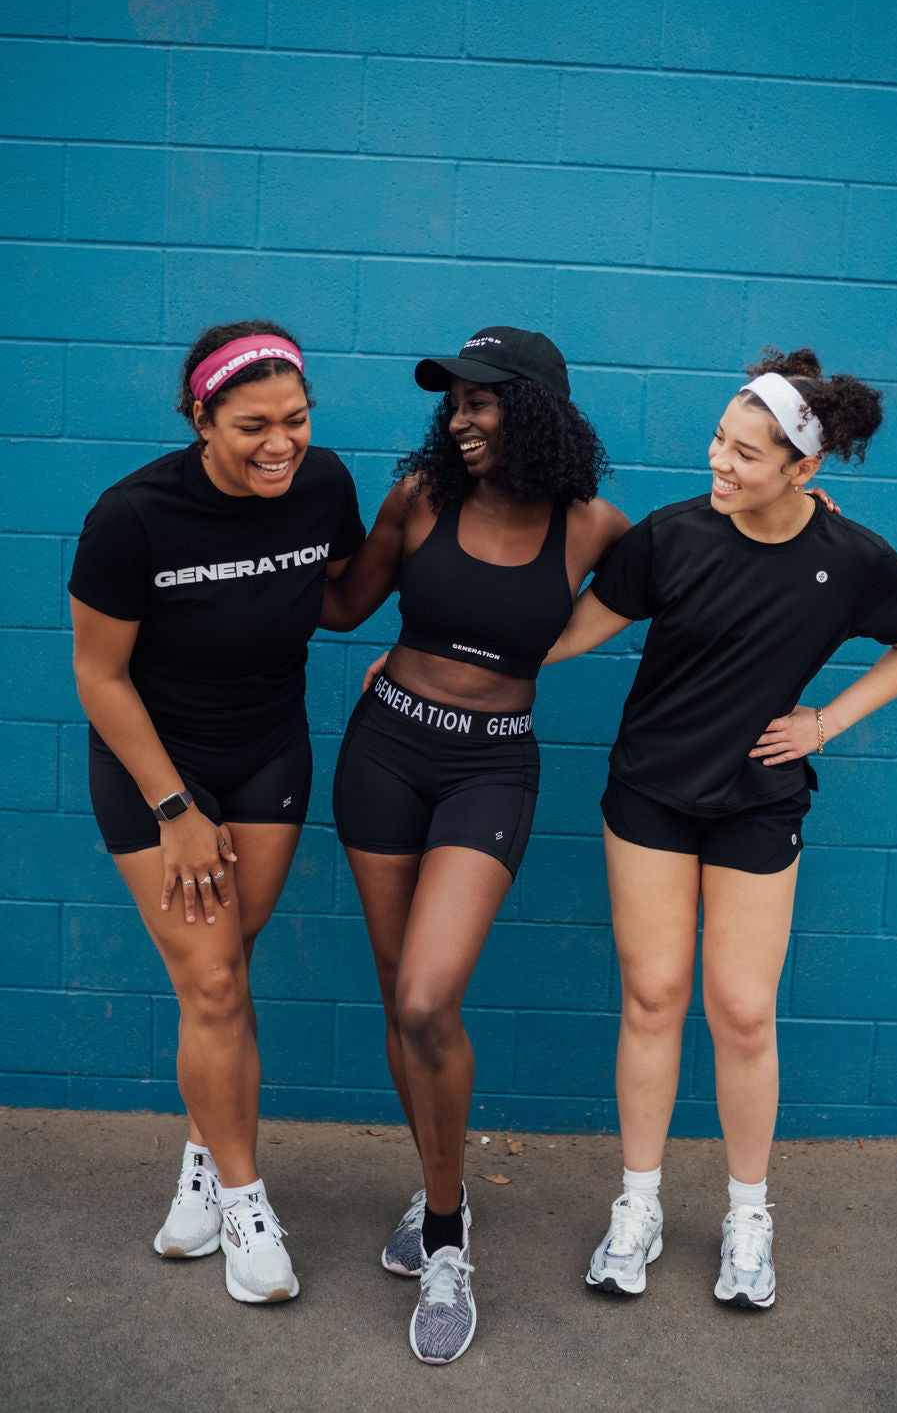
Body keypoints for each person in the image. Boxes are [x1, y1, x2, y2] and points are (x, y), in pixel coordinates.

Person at [544, 347, 897, 1310]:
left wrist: (825, 722)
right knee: (652, 997)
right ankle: (637, 1205)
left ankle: (747, 1215)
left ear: (803, 471)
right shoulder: (671, 537)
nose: (718, 462)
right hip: (649, 795)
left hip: (759, 802)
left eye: (745, 454)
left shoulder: (851, 560)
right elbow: (563, 637)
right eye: (720, 440)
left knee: (744, 1011)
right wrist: (453, 657)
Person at [319, 326, 629, 1363]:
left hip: (491, 765)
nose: (460, 416)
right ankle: (436, 1186)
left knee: (425, 995)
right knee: (392, 993)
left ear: (536, 408)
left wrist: (801, 518)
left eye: (483, 400)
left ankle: (447, 1235)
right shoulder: (419, 498)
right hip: (385, 750)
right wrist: (255, 515)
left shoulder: (593, 526)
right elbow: (341, 602)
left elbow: (705, 567)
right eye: (453, 400)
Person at [68, 321, 364, 1304]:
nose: (279, 441)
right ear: (201, 417)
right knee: (213, 982)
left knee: (231, 963)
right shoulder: (134, 517)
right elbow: (99, 674)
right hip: (156, 766)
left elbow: (339, 602)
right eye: (251, 425)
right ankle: (243, 1202)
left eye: (295, 417)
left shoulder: (323, 484)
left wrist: (417, 514)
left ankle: (200, 1157)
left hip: (269, 750)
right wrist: (174, 806)